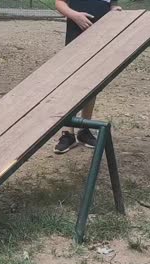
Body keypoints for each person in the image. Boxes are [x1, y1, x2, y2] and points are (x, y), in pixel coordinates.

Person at [53, 0, 121, 154]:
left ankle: (84, 129)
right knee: (71, 82)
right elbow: (59, 3)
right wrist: (74, 15)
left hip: (101, 38)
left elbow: (111, 5)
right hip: (76, 36)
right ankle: (68, 132)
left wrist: (114, 10)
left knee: (93, 82)